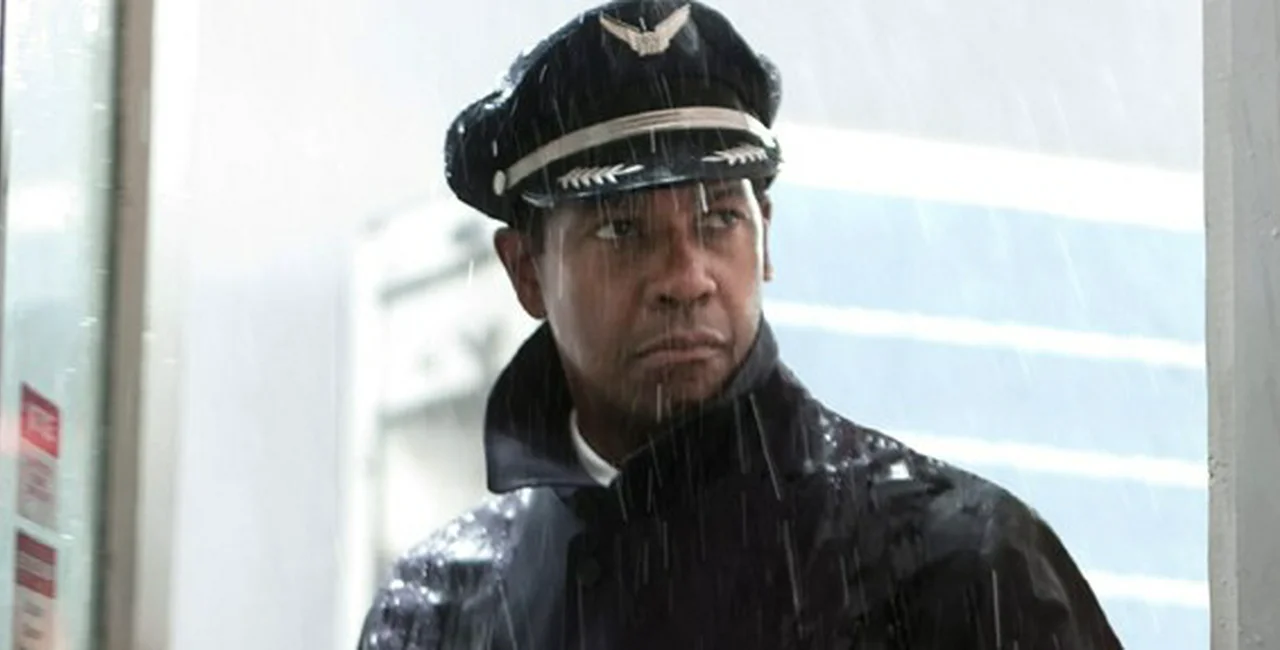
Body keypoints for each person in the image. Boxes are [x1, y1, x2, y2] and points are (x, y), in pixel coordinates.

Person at [357, 1, 1123, 648]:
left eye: (719, 218)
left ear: (766, 239)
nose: (686, 277)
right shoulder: (439, 615)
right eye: (622, 229)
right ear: (527, 271)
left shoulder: (959, 567)